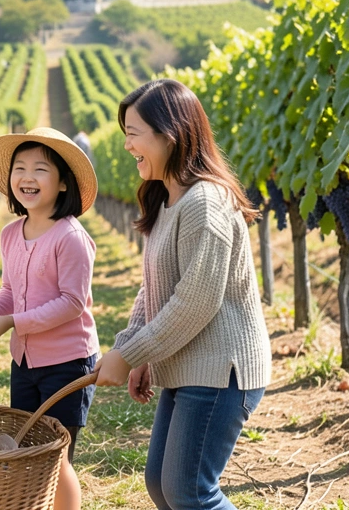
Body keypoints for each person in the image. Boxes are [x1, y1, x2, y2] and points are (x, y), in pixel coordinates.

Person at [93, 78, 271, 510]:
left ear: (169, 136)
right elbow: (153, 287)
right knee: (162, 485)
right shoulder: (168, 200)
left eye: (133, 134)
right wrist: (134, 349)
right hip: (190, 366)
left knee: (190, 492)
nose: (127, 145)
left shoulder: (205, 203)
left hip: (221, 370)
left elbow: (195, 302)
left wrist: (130, 355)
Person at [0, 127, 100, 510]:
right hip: (25, 362)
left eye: (40, 169)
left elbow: (71, 303)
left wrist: (12, 322)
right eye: (20, 168)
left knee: (57, 454)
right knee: (28, 447)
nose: (27, 177)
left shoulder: (70, 237)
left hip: (67, 363)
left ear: (63, 183)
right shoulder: (11, 234)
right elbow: (10, 291)